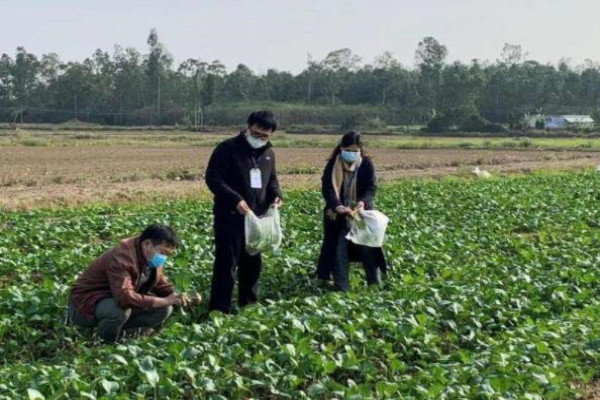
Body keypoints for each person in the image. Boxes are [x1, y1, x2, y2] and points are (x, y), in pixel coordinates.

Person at [205, 110, 283, 314]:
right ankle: (220, 310)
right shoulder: (227, 149)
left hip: (256, 219)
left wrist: (277, 196)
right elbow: (213, 178)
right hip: (230, 217)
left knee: (252, 264)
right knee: (227, 265)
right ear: (248, 127)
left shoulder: (268, 154)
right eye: (256, 134)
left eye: (265, 136)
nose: (260, 139)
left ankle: (248, 306)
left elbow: (272, 181)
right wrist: (235, 200)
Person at [68, 224, 200, 343]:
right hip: (85, 305)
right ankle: (102, 344)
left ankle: (119, 333)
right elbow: (124, 298)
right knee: (118, 312)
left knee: (164, 309)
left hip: (113, 299)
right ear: (147, 244)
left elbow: (160, 283)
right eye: (163, 252)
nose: (164, 257)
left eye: (167, 254)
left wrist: (181, 295)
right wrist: (165, 300)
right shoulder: (122, 257)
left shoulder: (149, 255)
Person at [316, 131, 387, 291]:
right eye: (348, 150)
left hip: (360, 214)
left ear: (360, 150)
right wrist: (337, 206)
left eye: (355, 151)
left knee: (368, 247)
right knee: (338, 250)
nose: (352, 154)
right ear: (341, 148)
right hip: (337, 215)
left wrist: (362, 203)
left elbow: (371, 187)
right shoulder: (332, 164)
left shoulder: (366, 164)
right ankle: (342, 287)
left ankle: (374, 285)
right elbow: (328, 189)